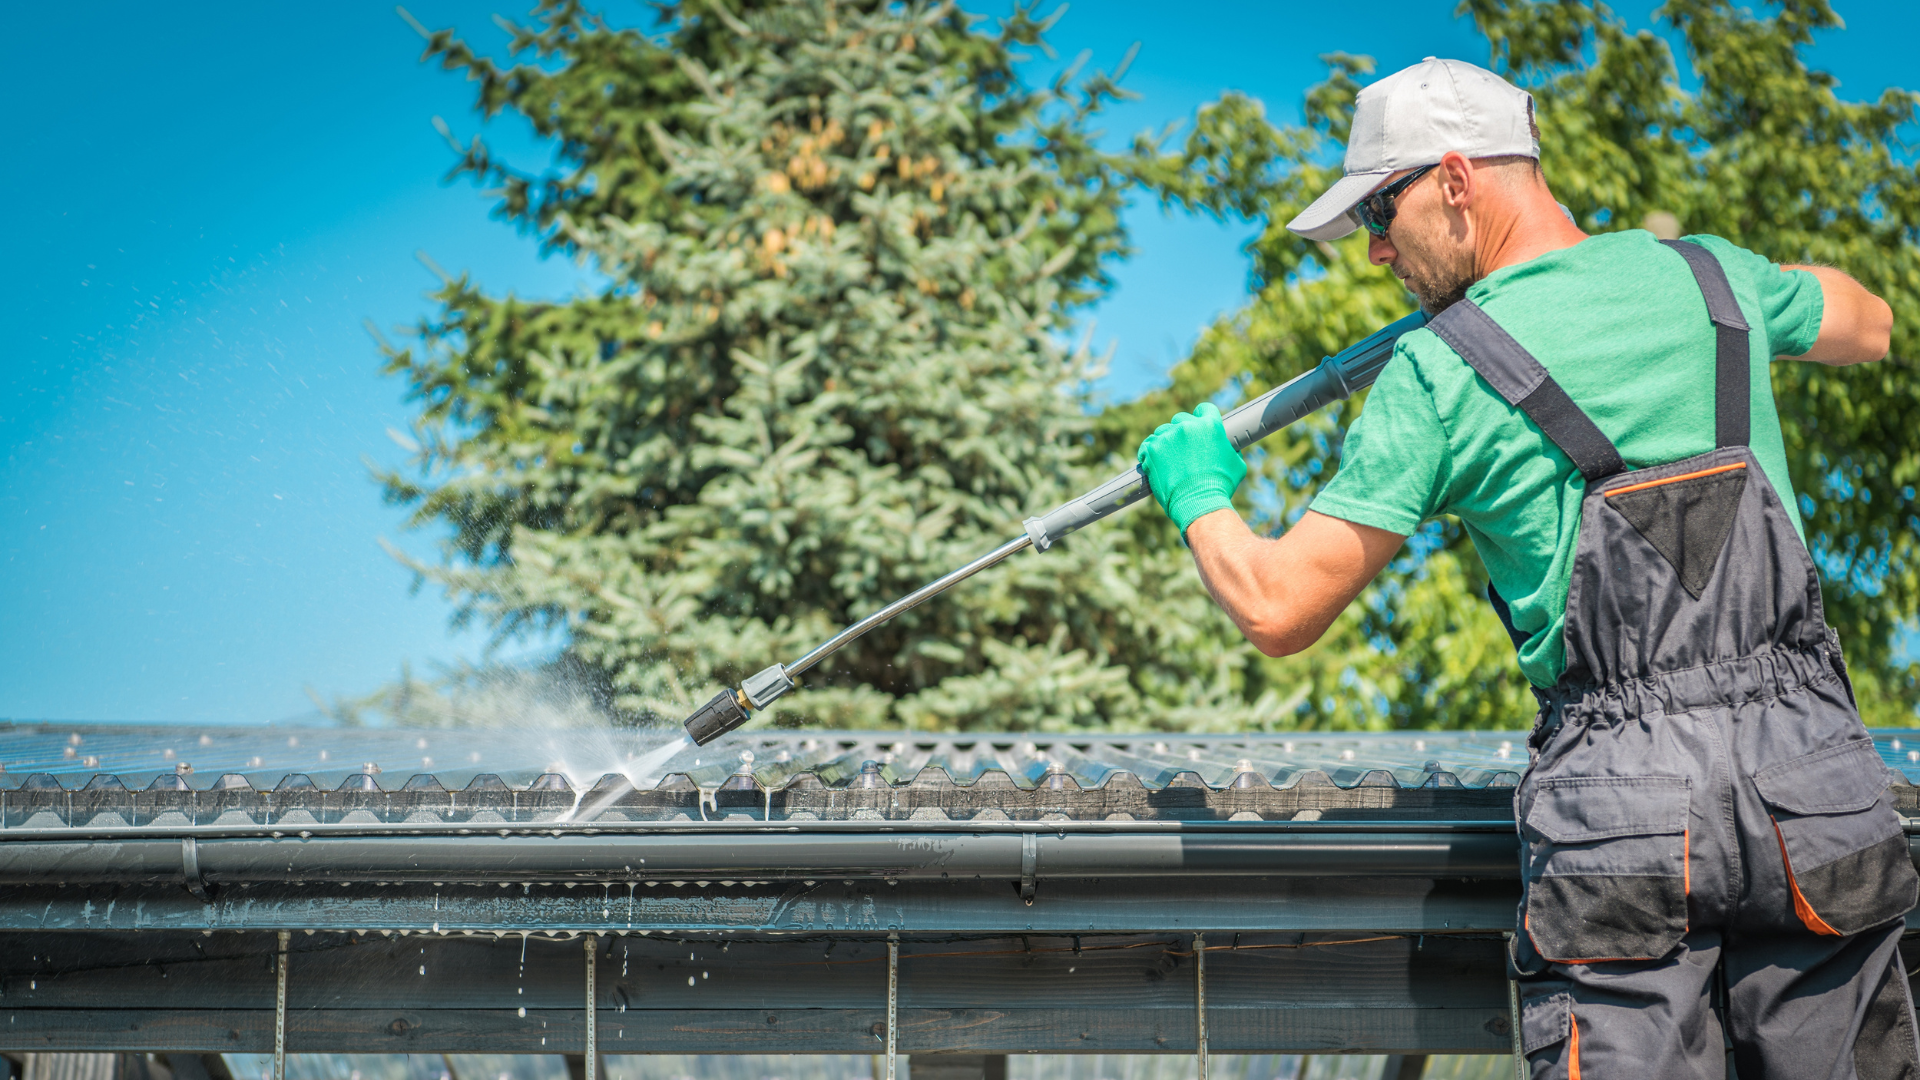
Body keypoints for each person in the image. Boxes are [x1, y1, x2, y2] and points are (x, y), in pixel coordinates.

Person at [1135, 57, 1912, 1079]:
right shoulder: (1715, 280)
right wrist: (1710, 283)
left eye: (1380, 208)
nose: (1374, 251)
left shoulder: (1439, 370)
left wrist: (1196, 494)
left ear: (1458, 180)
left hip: (1625, 818)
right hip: (1810, 782)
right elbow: (1872, 322)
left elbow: (1278, 605)